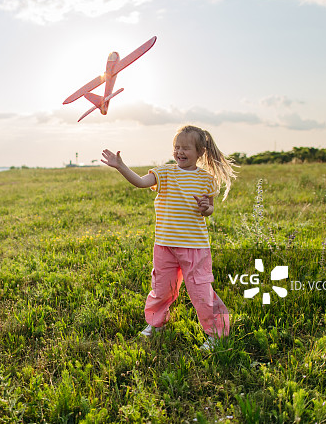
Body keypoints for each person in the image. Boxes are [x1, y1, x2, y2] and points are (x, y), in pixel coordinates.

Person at [101, 125, 236, 350]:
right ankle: (156, 324)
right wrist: (121, 166)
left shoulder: (206, 179)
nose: (179, 152)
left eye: (186, 148)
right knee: (162, 289)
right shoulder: (164, 173)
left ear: (200, 151)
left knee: (201, 292)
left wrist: (206, 208)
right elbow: (140, 182)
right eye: (176, 147)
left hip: (195, 247)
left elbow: (209, 209)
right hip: (165, 245)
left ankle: (217, 334)